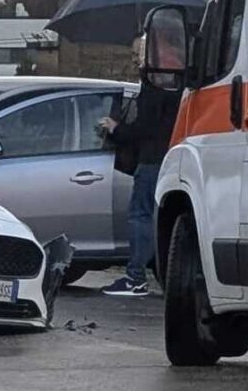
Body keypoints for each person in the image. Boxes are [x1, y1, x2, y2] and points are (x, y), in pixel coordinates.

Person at [98, 27, 183, 297]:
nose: (135, 60)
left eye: (138, 53)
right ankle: (164, 277)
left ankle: (135, 278)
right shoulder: (177, 79)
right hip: (172, 158)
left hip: (151, 160)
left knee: (140, 217)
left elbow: (145, 128)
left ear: (153, 51)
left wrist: (115, 128)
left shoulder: (155, 84)